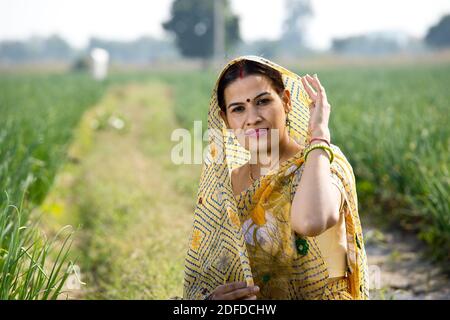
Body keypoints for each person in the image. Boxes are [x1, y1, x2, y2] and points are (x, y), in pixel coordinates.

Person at [183, 55, 369, 300]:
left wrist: (320, 137)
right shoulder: (228, 187)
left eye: (263, 102)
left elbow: (311, 221)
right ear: (226, 120)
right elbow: (212, 275)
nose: (253, 118)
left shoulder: (322, 161)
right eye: (238, 108)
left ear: (286, 101)